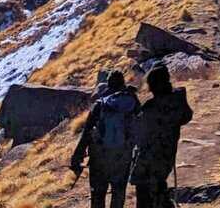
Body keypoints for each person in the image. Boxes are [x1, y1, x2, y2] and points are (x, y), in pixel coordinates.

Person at [70, 70, 140, 208]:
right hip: (123, 156)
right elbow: (140, 128)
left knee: (98, 195)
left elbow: (87, 133)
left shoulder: (100, 105)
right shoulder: (133, 103)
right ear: (123, 84)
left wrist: (77, 156)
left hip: (100, 157)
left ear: (108, 84)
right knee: (118, 193)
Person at [131, 65, 193, 208]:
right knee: (159, 190)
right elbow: (186, 117)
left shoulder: (150, 107)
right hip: (167, 155)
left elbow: (139, 135)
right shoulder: (177, 101)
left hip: (148, 160)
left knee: (145, 196)